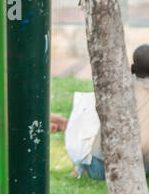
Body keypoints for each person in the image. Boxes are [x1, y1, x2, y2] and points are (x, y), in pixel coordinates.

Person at [53, 44, 149, 180]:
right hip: (141, 168)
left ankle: (81, 168)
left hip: (104, 169)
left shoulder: (119, 89)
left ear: (132, 69)